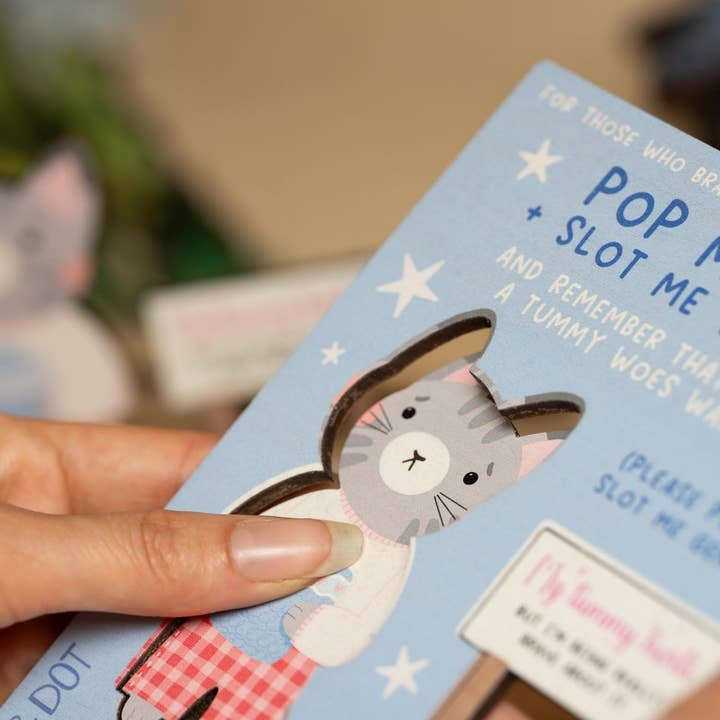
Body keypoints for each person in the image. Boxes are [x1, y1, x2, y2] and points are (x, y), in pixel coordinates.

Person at [0, 413, 715, 718]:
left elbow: (365, 619)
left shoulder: (399, 556)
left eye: (468, 480)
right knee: (152, 693)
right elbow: (236, 520)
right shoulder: (321, 493)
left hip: (284, 660)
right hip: (205, 619)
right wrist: (195, 553)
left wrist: (328, 632)